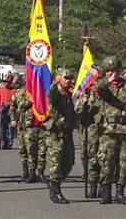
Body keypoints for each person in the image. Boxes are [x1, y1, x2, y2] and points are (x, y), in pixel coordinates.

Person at [96, 56, 126, 205]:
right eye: (107, 71)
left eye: (113, 70)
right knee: (107, 160)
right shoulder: (102, 86)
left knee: (124, 162)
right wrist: (108, 80)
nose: (110, 73)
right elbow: (98, 88)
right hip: (108, 130)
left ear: (119, 70)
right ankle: (106, 192)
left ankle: (120, 192)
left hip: (125, 129)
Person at [44, 69, 76, 204]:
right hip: (55, 133)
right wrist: (53, 83)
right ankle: (55, 191)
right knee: (56, 163)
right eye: (65, 78)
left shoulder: (70, 95)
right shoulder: (55, 92)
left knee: (69, 163)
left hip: (67, 132)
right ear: (59, 78)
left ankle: (53, 182)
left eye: (70, 78)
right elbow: (49, 93)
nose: (68, 80)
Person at [75, 78, 103, 198]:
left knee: (102, 160)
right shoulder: (84, 96)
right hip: (88, 132)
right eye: (93, 83)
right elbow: (77, 112)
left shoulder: (106, 95)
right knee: (89, 159)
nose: (95, 85)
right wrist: (84, 102)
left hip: (104, 132)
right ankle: (92, 183)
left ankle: (100, 185)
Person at [10, 74, 30, 180]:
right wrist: (13, 119)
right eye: (26, 82)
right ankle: (25, 171)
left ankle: (34, 172)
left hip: (33, 125)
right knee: (23, 149)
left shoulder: (36, 93)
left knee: (33, 150)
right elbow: (12, 107)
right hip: (21, 125)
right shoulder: (18, 93)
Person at [0, 73, 16, 149]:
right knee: (3, 128)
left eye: (7, 82)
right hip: (2, 111)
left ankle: (9, 142)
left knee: (10, 128)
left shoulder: (13, 90)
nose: (5, 83)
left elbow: (14, 101)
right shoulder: (1, 89)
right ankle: (3, 141)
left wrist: (8, 104)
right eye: (4, 81)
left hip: (10, 112)